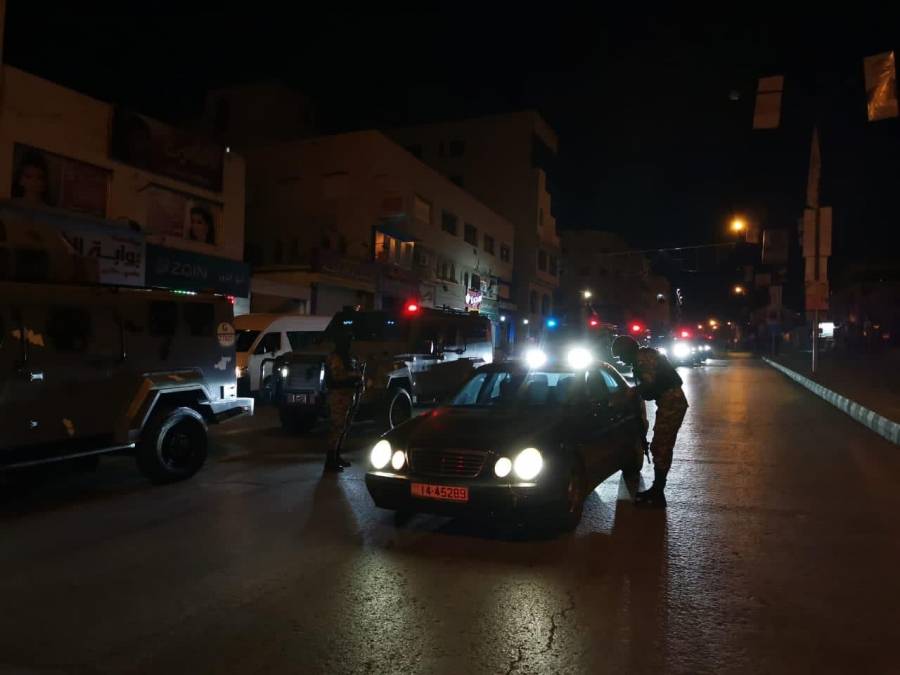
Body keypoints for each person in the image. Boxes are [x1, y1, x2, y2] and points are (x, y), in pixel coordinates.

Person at [612, 335, 688, 508]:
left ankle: (658, 493)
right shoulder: (645, 355)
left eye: (621, 356)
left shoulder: (642, 360)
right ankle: (657, 490)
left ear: (627, 351)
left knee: (661, 446)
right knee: (660, 446)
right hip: (670, 401)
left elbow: (650, 385)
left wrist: (634, 391)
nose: (622, 361)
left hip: (672, 403)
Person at [323, 331, 363, 473]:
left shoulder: (349, 357)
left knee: (344, 428)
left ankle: (336, 456)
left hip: (349, 395)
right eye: (347, 341)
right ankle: (330, 461)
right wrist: (353, 379)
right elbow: (336, 379)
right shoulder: (335, 358)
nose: (349, 344)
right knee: (336, 428)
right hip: (339, 396)